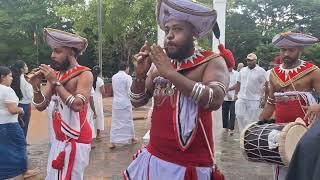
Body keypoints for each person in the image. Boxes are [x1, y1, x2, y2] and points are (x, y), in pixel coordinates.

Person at [124, 0, 230, 179]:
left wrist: (171, 74)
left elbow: (215, 99)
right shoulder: (160, 65)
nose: (169, 36)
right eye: (167, 30)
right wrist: (140, 76)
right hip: (154, 157)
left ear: (193, 33)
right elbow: (137, 101)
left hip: (190, 165)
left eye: (178, 29)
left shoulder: (211, 61)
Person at [28, 28, 93, 180]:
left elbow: (77, 105)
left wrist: (55, 82)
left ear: (70, 52)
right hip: (58, 139)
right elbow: (41, 105)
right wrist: (36, 86)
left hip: (76, 140)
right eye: (53, 51)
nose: (52, 55)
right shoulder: (56, 75)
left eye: (57, 51)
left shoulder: (84, 74)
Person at [259, 32, 320, 180]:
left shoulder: (313, 71)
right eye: (283, 50)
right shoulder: (273, 73)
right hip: (280, 129)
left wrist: (317, 106)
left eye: (291, 50)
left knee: (304, 168)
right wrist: (259, 122)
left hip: (306, 130)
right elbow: (271, 103)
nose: (286, 53)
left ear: (300, 50)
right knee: (281, 170)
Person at [0, 66, 27, 180]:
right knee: (16, 149)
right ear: (2, 77)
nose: (11, 78)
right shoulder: (6, 90)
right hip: (8, 125)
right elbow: (12, 110)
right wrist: (21, 110)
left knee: (2, 150)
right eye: (10, 76)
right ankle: (14, 174)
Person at [235, 53, 266, 132]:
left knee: (253, 120)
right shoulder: (243, 70)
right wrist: (236, 94)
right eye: (248, 60)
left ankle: (252, 135)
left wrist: (263, 97)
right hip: (242, 97)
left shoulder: (261, 71)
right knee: (239, 115)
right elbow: (238, 82)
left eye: (251, 61)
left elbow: (265, 85)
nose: (249, 62)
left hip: (254, 99)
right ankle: (243, 133)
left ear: (255, 61)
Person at [109, 62, 137, 148]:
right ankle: (132, 138)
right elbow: (130, 90)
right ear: (126, 68)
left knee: (115, 121)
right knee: (128, 121)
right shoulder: (127, 77)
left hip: (116, 102)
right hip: (125, 102)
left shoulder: (114, 77)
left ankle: (113, 142)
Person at [10, 60, 33, 138]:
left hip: (16, 104)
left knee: (17, 124)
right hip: (25, 105)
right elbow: (30, 96)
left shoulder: (13, 78)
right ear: (21, 69)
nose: (27, 67)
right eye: (25, 66)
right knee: (24, 125)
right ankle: (22, 141)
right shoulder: (26, 81)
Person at [222, 67, 238, 135]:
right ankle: (225, 128)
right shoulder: (223, 73)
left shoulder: (236, 74)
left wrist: (230, 91)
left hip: (233, 97)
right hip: (225, 97)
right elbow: (222, 84)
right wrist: (227, 93)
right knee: (224, 113)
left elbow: (237, 84)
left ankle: (231, 128)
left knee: (232, 113)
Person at [92, 66, 105, 139]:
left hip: (90, 99)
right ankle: (98, 134)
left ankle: (91, 134)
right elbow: (103, 92)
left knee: (91, 116)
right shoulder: (100, 80)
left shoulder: (89, 78)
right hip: (98, 99)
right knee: (99, 116)